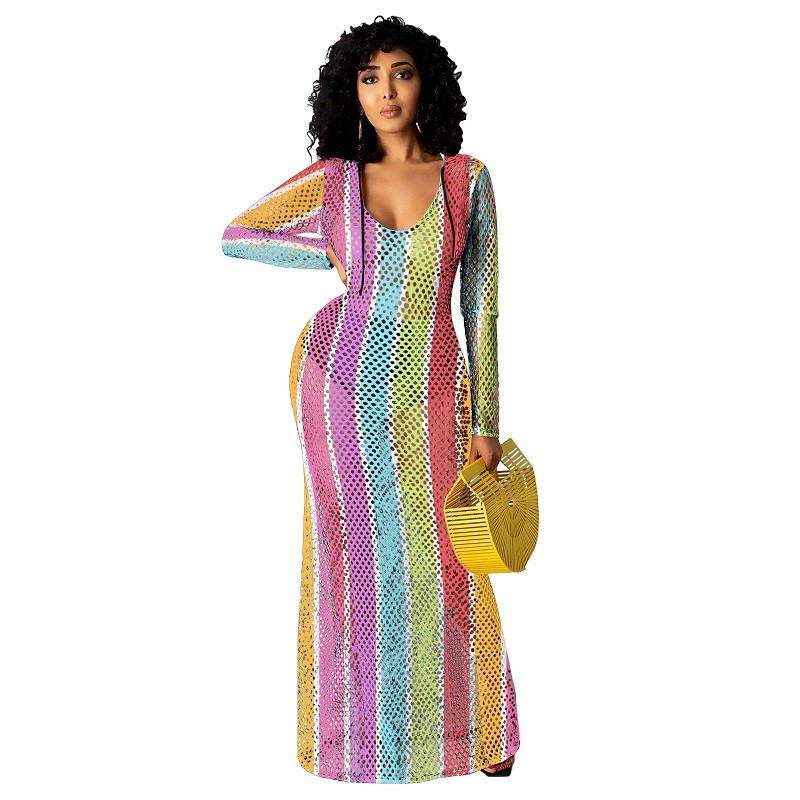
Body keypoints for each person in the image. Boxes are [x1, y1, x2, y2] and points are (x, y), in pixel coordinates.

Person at [221, 14, 519, 783]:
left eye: (401, 73)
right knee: (352, 555)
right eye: (369, 76)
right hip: (336, 384)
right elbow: (240, 233)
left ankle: (480, 733)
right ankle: (358, 739)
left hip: (436, 387)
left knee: (449, 554)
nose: (386, 91)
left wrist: (488, 421)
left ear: (427, 85)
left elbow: (480, 306)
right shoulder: (336, 181)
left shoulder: (466, 179)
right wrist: (332, 253)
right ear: (350, 91)